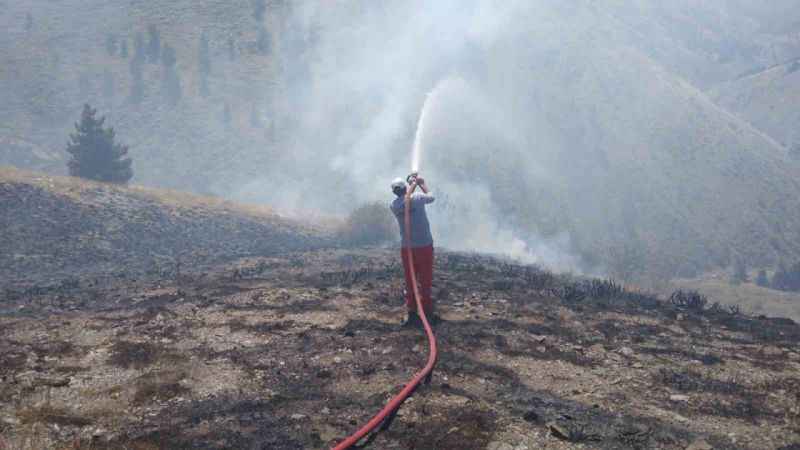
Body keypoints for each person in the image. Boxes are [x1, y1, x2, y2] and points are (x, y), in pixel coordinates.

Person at [389, 176, 438, 327]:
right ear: (406, 187)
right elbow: (432, 197)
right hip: (424, 246)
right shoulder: (417, 197)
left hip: (408, 249)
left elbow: (406, 201)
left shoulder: (394, 205)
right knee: (425, 279)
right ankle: (427, 312)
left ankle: (412, 313)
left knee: (411, 281)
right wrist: (422, 184)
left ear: (394, 192)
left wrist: (413, 185)